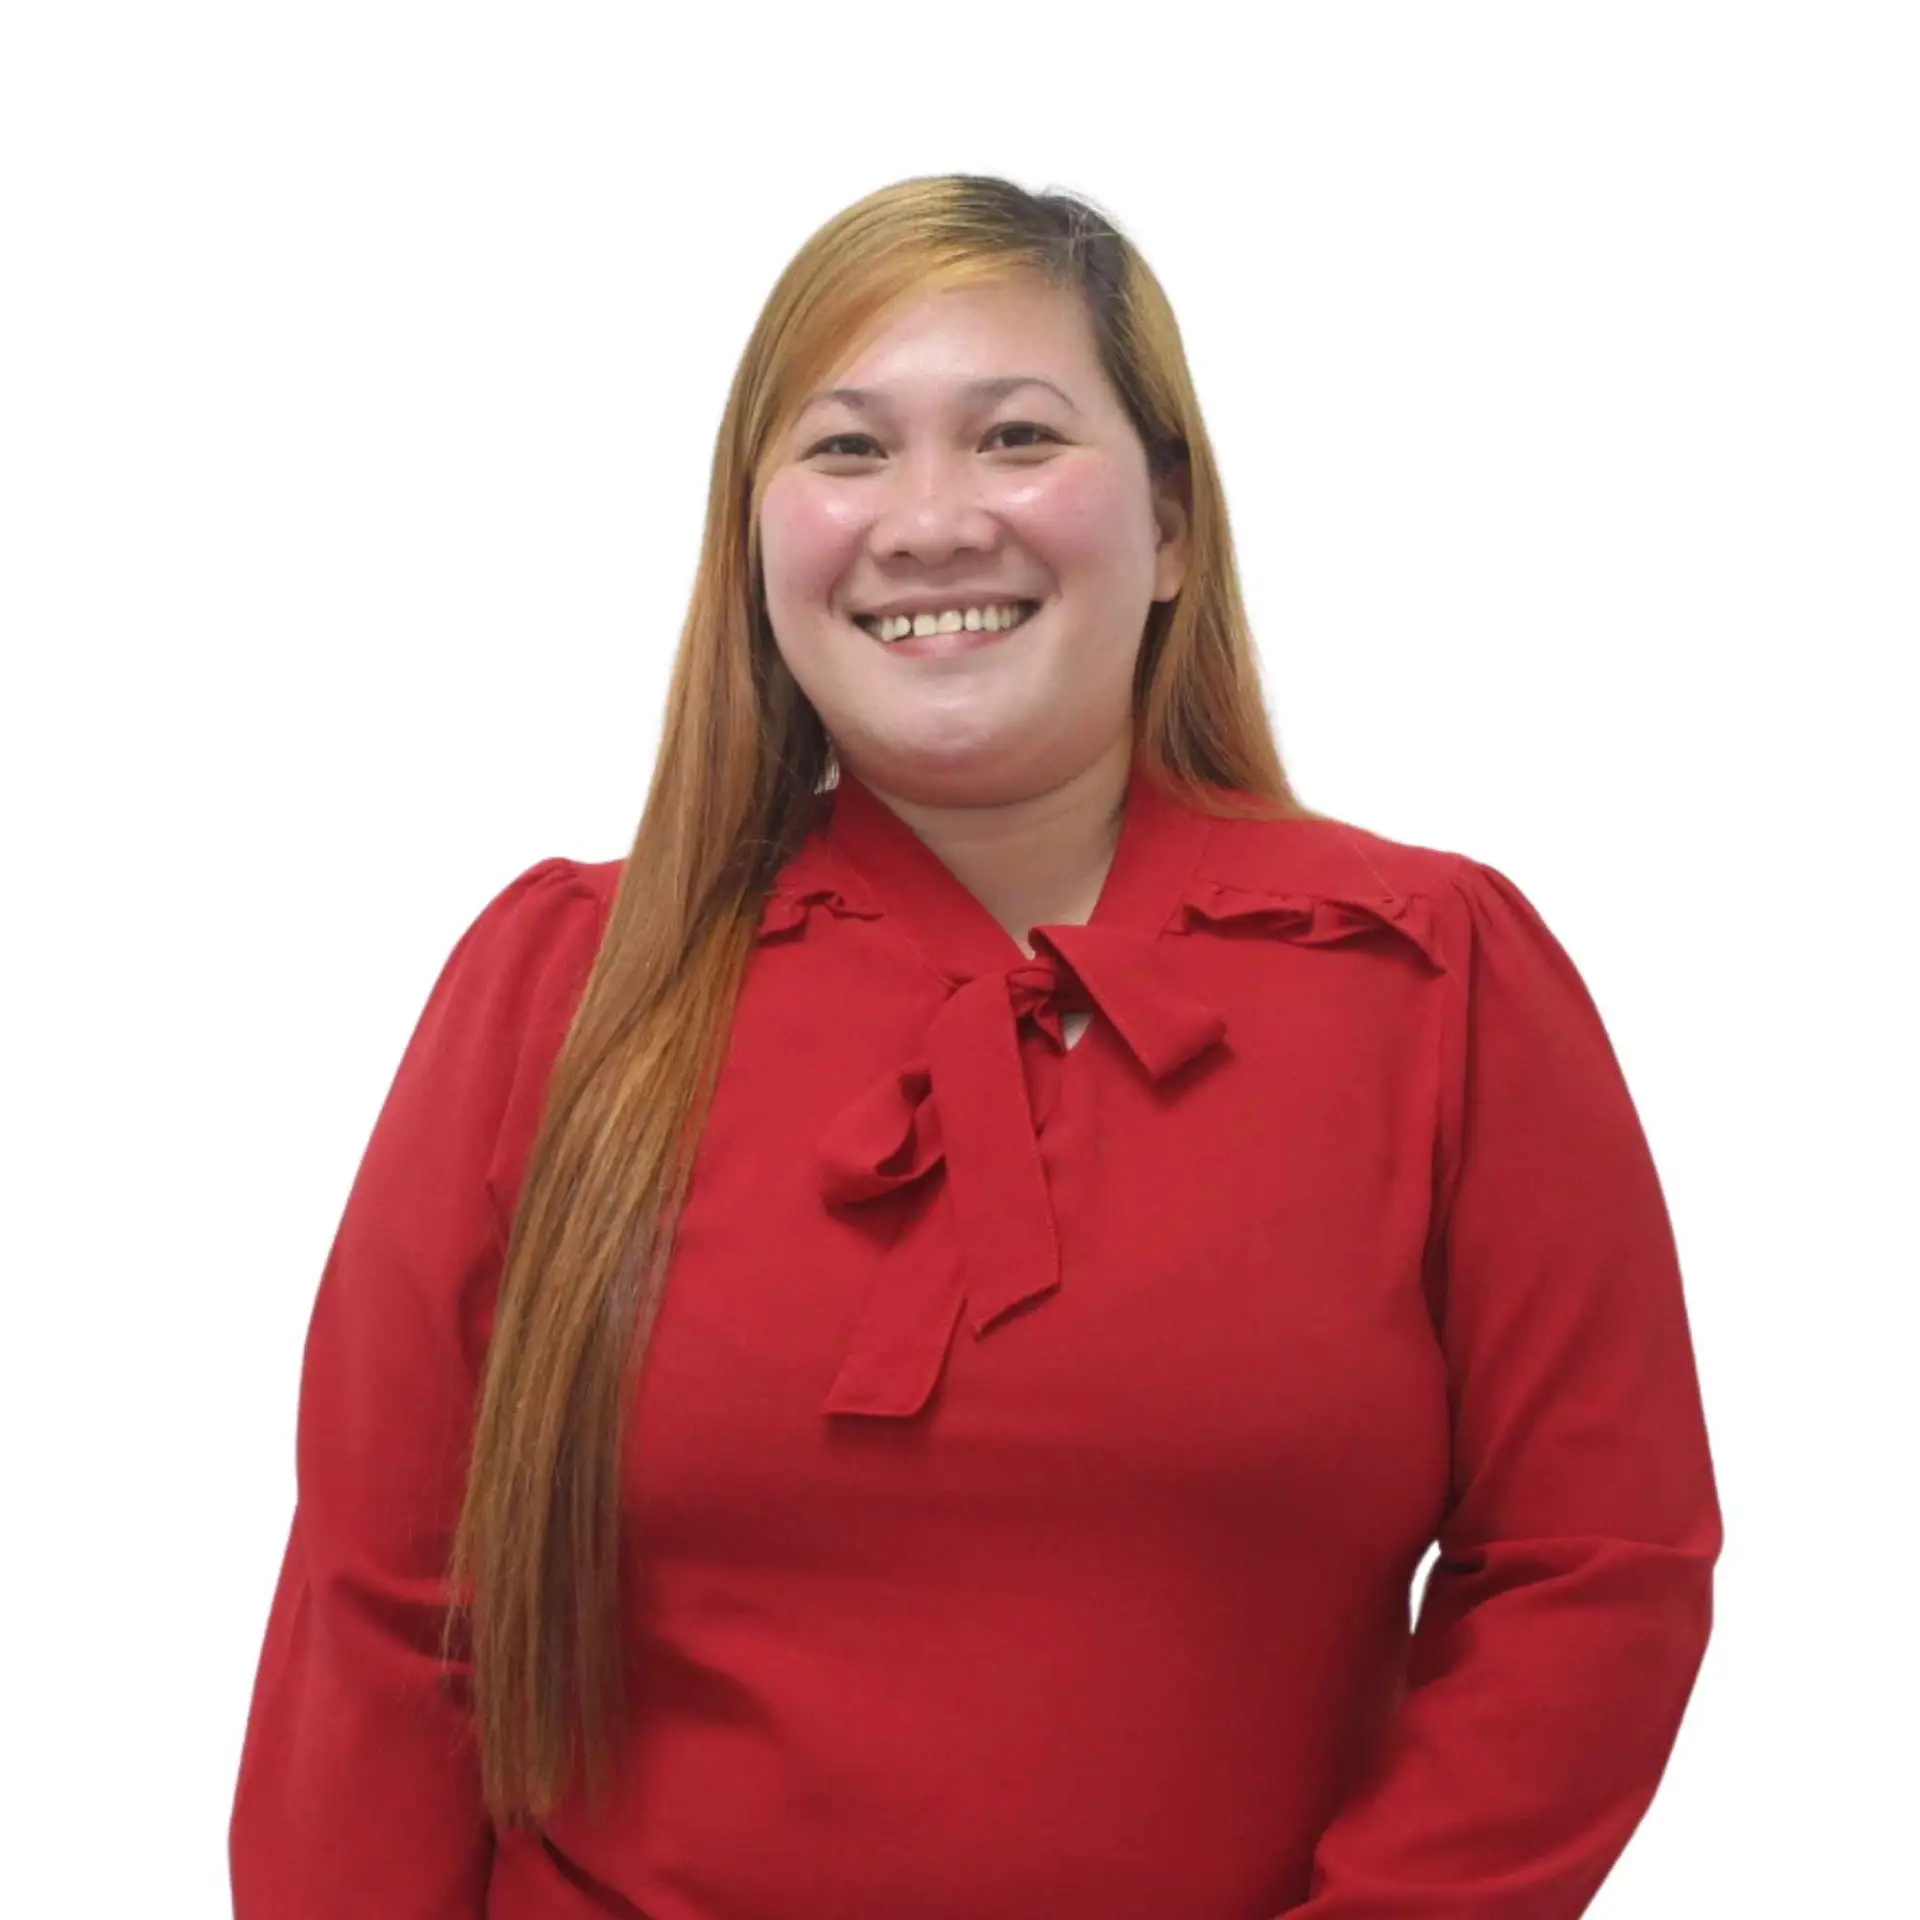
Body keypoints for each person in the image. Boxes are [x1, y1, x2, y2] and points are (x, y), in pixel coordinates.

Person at [229, 173, 1722, 1918]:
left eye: (1015, 436)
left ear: (1171, 528)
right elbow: (383, 1626)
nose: (929, 522)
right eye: (849, 452)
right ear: (756, 540)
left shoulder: (1434, 978)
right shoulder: (557, 988)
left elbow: (1591, 1573)